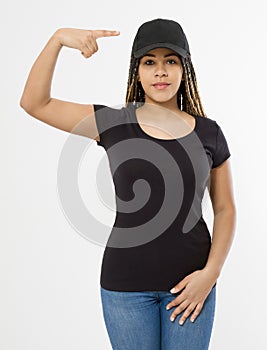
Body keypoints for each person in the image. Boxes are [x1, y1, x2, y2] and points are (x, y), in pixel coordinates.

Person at [20, 18, 236, 350]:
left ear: (185, 69)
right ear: (137, 71)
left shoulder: (209, 133)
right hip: (126, 289)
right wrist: (57, 40)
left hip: (193, 286)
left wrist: (211, 274)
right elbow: (35, 103)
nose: (160, 72)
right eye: (149, 62)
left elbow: (224, 208)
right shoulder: (115, 123)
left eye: (170, 61)